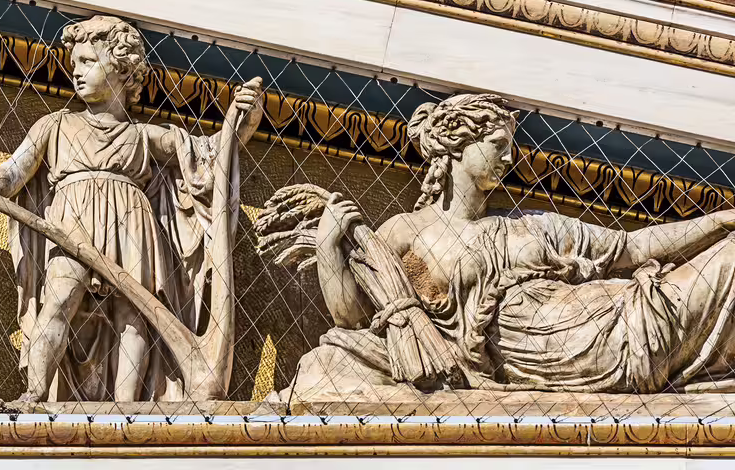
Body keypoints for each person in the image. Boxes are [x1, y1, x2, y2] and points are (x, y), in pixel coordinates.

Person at [292, 92, 735, 396]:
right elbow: (354, 322)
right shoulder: (404, 232)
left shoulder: (532, 225)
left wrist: (718, 220)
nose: (510, 158)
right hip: (580, 357)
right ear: (457, 144)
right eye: (498, 144)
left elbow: (631, 247)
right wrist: (329, 248)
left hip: (616, 312)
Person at [0, 16, 261, 402]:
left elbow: (208, 154)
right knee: (59, 300)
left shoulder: (142, 135)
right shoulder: (55, 125)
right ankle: (34, 393)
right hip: (71, 225)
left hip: (130, 222)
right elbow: (15, 169)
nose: (76, 72)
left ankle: (126, 406)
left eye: (87, 62)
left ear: (123, 70)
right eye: (74, 64)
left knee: (133, 313)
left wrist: (243, 119)